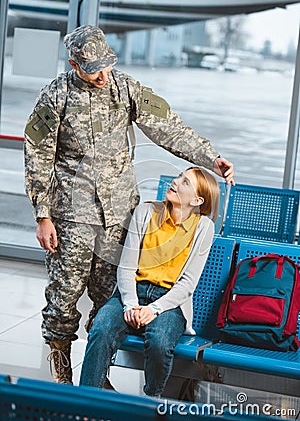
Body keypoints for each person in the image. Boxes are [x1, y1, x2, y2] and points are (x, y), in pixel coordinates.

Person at [24, 24, 234, 385]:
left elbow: (168, 127)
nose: (104, 76)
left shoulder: (125, 88)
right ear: (74, 65)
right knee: (64, 296)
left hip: (119, 215)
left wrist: (210, 158)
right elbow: (37, 155)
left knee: (109, 300)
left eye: (107, 66)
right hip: (71, 219)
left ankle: (96, 376)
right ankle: (62, 373)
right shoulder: (54, 97)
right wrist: (42, 215)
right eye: (94, 70)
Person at [79, 167, 219, 396]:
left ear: (197, 200)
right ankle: (87, 401)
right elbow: (126, 266)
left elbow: (188, 284)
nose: (175, 182)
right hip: (132, 292)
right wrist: (131, 305)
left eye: (185, 182)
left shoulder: (204, 228)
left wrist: (154, 309)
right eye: (178, 177)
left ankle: (151, 400)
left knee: (160, 343)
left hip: (169, 301)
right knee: (101, 330)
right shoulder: (145, 212)